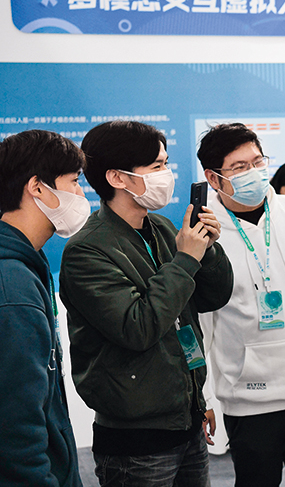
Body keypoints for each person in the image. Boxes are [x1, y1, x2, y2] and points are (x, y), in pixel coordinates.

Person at [59, 121, 234, 486]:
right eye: (156, 166)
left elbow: (212, 297)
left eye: (165, 164)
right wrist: (185, 260)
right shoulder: (87, 250)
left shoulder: (162, 228)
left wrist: (208, 249)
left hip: (186, 420)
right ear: (117, 178)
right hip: (135, 442)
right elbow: (137, 328)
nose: (166, 175)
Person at [196, 123, 285, 486]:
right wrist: (203, 396)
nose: (253, 172)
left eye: (257, 162)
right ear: (214, 178)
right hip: (249, 401)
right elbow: (200, 325)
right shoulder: (204, 234)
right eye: (239, 167)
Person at [0, 130, 86, 486]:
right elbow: (16, 421)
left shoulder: (26, 262)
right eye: (74, 182)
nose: (81, 194)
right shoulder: (12, 285)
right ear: (37, 187)